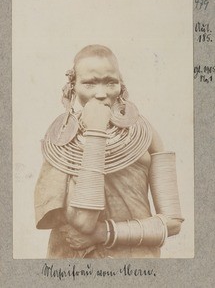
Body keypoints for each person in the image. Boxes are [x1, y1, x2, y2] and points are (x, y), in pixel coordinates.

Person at [34, 45, 184, 258]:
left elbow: (174, 224)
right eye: (89, 83)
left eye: (110, 82)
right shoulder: (60, 141)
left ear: (121, 85)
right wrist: (96, 130)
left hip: (137, 264)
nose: (101, 93)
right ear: (73, 87)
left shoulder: (146, 134)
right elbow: (84, 222)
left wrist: (105, 232)